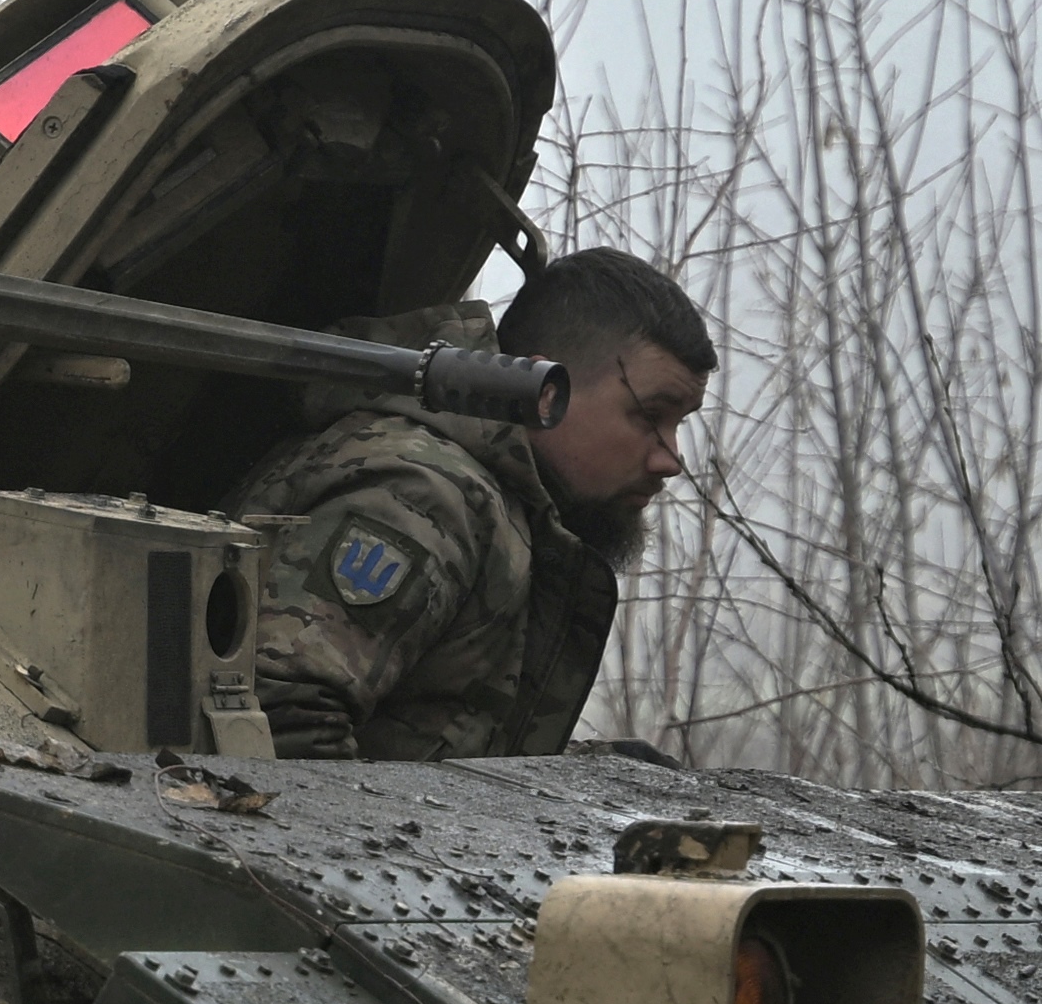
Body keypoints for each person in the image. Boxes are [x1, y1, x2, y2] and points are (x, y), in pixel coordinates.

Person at [222, 248, 711, 761]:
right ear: (547, 394)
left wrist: (580, 779)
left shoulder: (507, 509)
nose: (670, 459)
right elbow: (276, 723)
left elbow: (421, 740)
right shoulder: (422, 497)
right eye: (651, 415)